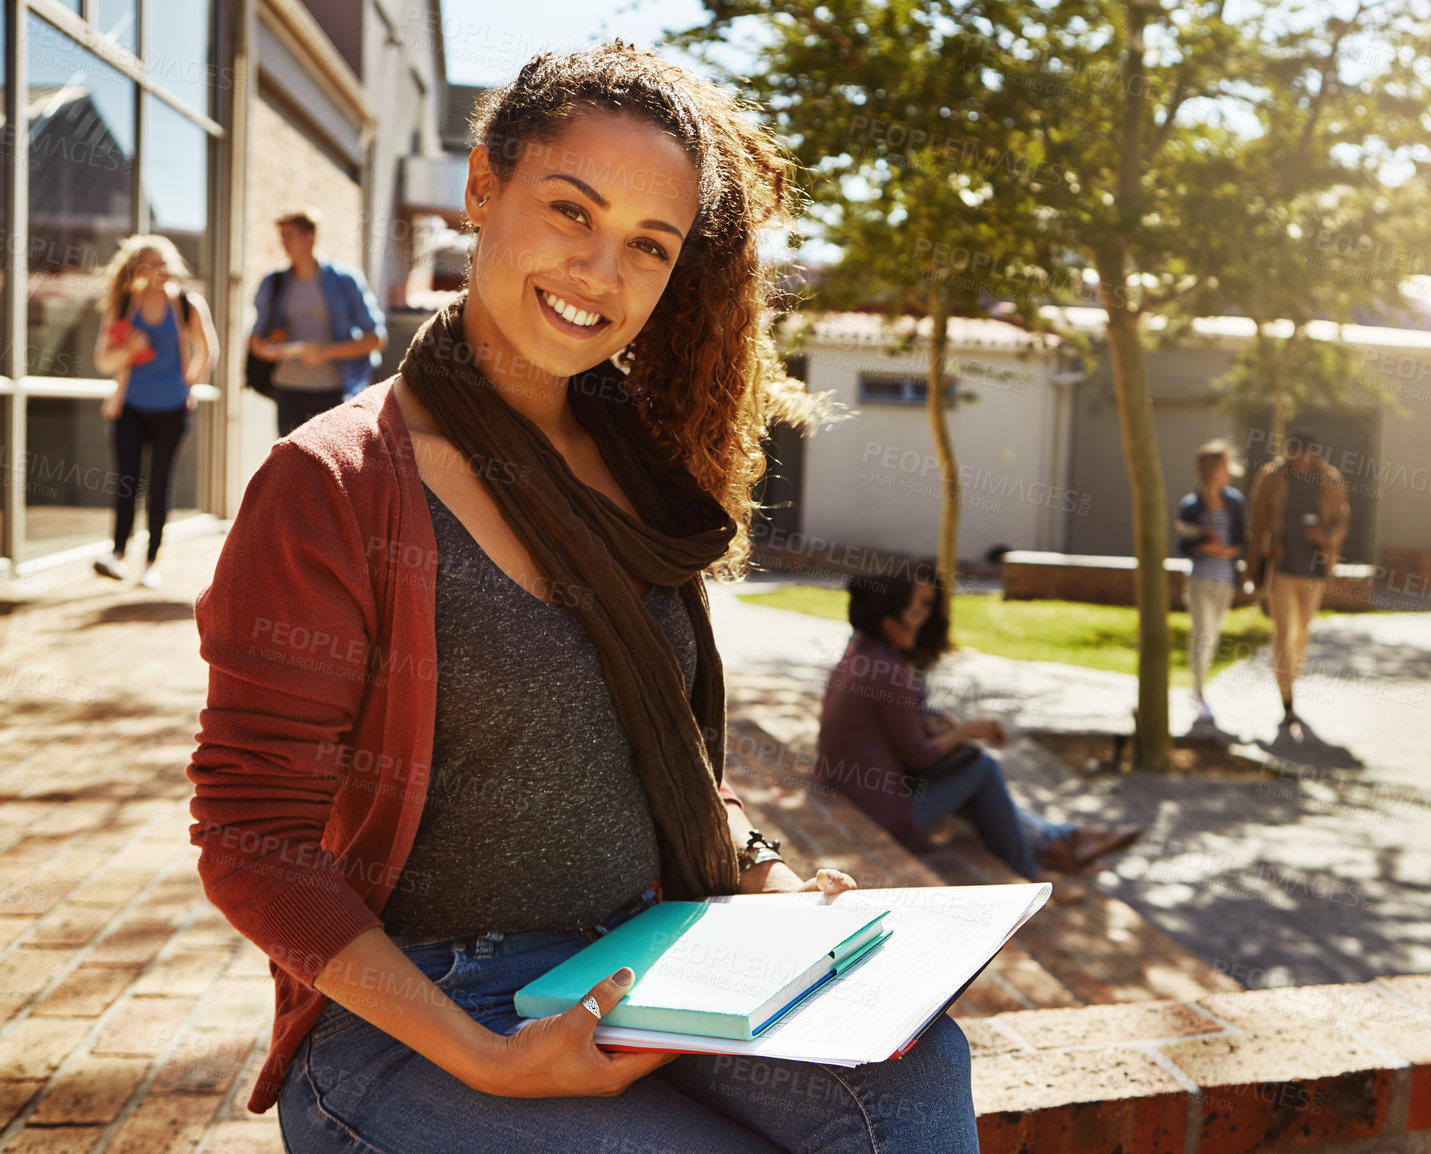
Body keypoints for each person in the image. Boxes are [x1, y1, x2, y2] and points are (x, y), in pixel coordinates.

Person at [187, 43, 977, 1154]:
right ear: (481, 187)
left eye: (646, 246)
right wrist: (488, 1056)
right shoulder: (334, 483)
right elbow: (249, 835)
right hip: (415, 1011)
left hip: (639, 957)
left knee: (913, 1069)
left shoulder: (635, 464)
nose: (601, 272)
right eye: (571, 210)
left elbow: (658, 765)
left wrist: (768, 879)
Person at [815, 570, 1144, 880]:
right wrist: (967, 730)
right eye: (913, 612)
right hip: (881, 811)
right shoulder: (885, 671)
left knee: (972, 775)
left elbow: (896, 735)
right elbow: (918, 755)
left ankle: (1060, 843)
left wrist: (937, 725)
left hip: (854, 792)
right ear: (889, 623)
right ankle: (1035, 869)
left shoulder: (859, 655)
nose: (919, 620)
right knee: (982, 768)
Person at [91, 235, 217, 589]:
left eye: (165, 263)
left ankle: (151, 562)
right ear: (138, 268)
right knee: (126, 482)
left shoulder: (189, 305)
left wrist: (187, 387)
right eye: (152, 263)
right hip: (130, 407)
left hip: (171, 410)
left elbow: (207, 350)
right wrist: (129, 349)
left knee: (160, 485)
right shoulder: (124, 304)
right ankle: (116, 554)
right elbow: (104, 361)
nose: (161, 270)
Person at [1244, 427, 1351, 730]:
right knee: (1281, 631)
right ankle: (1287, 700)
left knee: (1302, 631)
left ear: (1314, 454)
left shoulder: (1330, 478)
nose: (1303, 460)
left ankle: (1291, 679)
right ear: (1288, 452)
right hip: (1281, 567)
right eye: (1296, 453)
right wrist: (1252, 569)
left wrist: (1326, 536)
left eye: (1308, 454)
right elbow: (1258, 522)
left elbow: (1342, 518)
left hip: (1314, 570)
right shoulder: (1272, 477)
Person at [249, 206, 387, 437]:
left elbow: (377, 339)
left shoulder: (345, 280)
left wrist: (324, 352)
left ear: (309, 236)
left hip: (333, 391)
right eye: (281, 236)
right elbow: (256, 340)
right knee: (289, 466)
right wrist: (267, 349)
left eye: (289, 235)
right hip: (287, 389)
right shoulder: (273, 283)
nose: (283, 242)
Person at [1174, 440, 1247, 726]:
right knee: (1201, 632)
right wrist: (1205, 547)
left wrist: (1228, 551)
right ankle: (1198, 690)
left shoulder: (1235, 501)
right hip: (1201, 578)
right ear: (1212, 468)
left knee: (1212, 634)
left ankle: (1197, 686)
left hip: (1225, 578)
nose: (1228, 470)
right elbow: (1184, 544)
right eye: (1223, 465)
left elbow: (1241, 539)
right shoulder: (1191, 504)